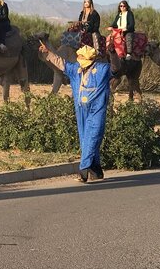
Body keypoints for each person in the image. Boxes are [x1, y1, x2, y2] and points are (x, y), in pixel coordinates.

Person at [38, 42, 111, 182]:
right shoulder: (76, 69)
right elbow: (62, 63)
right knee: (85, 140)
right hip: (81, 110)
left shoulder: (102, 69)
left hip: (97, 110)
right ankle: (96, 171)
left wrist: (112, 53)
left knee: (92, 137)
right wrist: (48, 53)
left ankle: (83, 171)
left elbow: (116, 68)